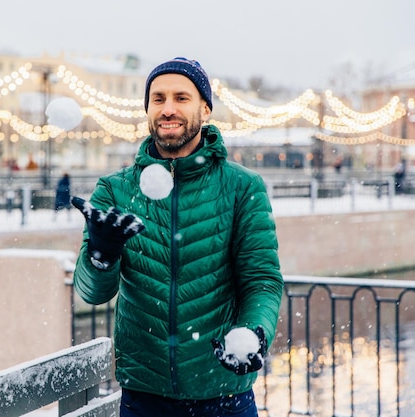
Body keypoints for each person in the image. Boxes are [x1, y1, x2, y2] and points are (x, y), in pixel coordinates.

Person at [71, 57, 283, 417]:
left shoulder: (242, 187)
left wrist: (254, 333)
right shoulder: (115, 190)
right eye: (158, 98)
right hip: (144, 396)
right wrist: (101, 256)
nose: (168, 109)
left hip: (224, 394)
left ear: (205, 108)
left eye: (181, 98)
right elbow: (92, 293)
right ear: (148, 109)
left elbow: (261, 281)